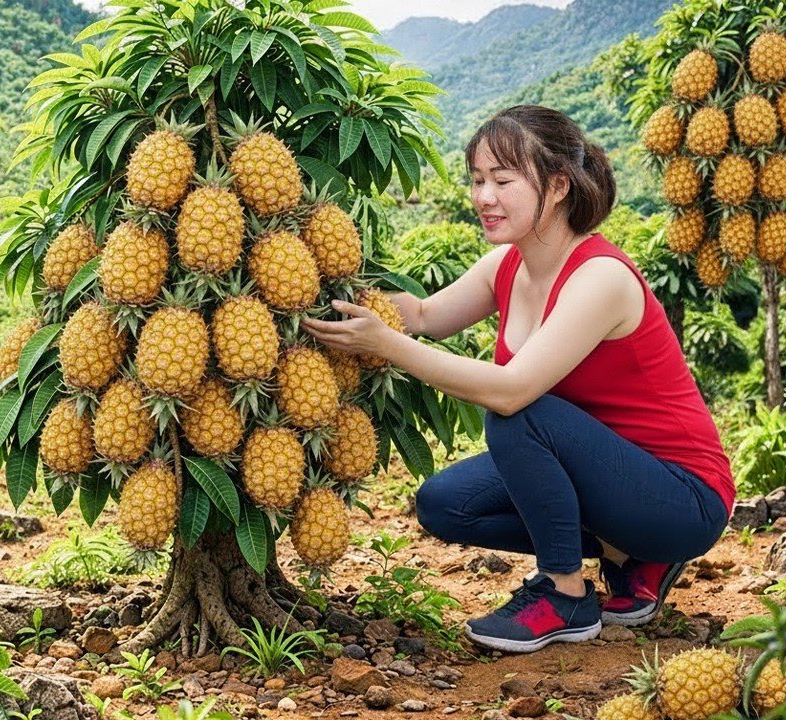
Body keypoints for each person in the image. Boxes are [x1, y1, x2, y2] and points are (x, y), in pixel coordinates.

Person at [303, 105, 733, 654]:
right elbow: (425, 315)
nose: (484, 196)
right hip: (606, 475)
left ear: (557, 187)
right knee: (444, 504)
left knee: (516, 409)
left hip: (682, 497)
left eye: (502, 181)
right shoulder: (506, 264)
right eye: (478, 180)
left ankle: (565, 593)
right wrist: (318, 288)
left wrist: (387, 345)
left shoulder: (600, 277)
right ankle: (625, 554)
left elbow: (510, 389)